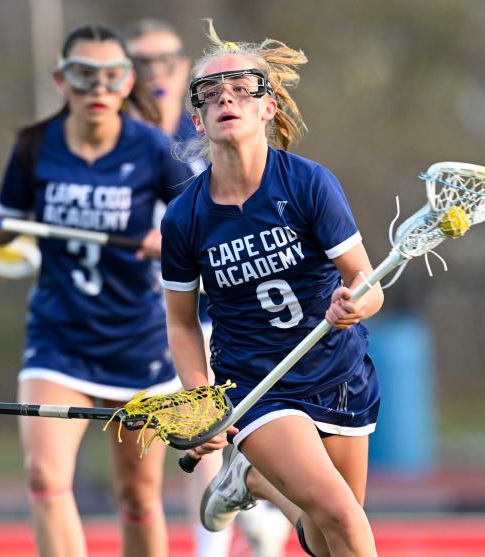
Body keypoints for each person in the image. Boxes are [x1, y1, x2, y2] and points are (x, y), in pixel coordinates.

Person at [0, 24, 192, 557]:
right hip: (59, 338)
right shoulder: (35, 146)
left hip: (137, 340)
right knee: (45, 478)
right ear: (61, 80)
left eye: (111, 77)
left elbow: (199, 219)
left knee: (137, 497)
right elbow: (7, 225)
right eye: (84, 76)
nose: (98, 89)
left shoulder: (155, 149)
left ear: (126, 81)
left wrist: (170, 237)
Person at [160, 21, 385, 557]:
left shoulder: (308, 183)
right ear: (197, 118)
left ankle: (254, 482)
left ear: (269, 109)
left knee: (326, 537)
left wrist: (356, 304)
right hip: (258, 385)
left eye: (242, 88)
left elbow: (367, 282)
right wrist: (201, 399)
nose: (225, 99)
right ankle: (256, 470)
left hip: (339, 371)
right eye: (210, 93)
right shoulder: (185, 217)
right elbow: (181, 321)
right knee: (344, 518)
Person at [128, 19, 291, 557]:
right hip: (130, 317)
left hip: (191, 313)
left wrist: (165, 242)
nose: (154, 74)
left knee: (202, 431)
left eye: (165, 61)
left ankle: (218, 538)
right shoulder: (113, 135)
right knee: (164, 453)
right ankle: (252, 512)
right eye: (141, 63)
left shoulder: (192, 137)